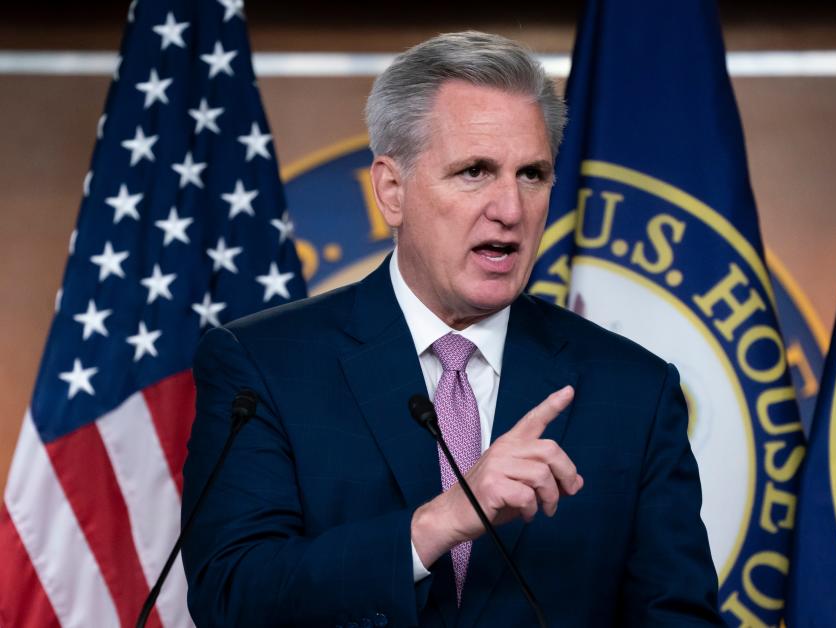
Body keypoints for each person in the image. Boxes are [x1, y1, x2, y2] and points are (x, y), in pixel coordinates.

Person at [182, 31, 721, 627]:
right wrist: (437, 524)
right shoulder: (265, 367)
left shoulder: (632, 391)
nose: (510, 210)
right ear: (392, 190)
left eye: (532, 175)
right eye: (474, 172)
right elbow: (231, 597)